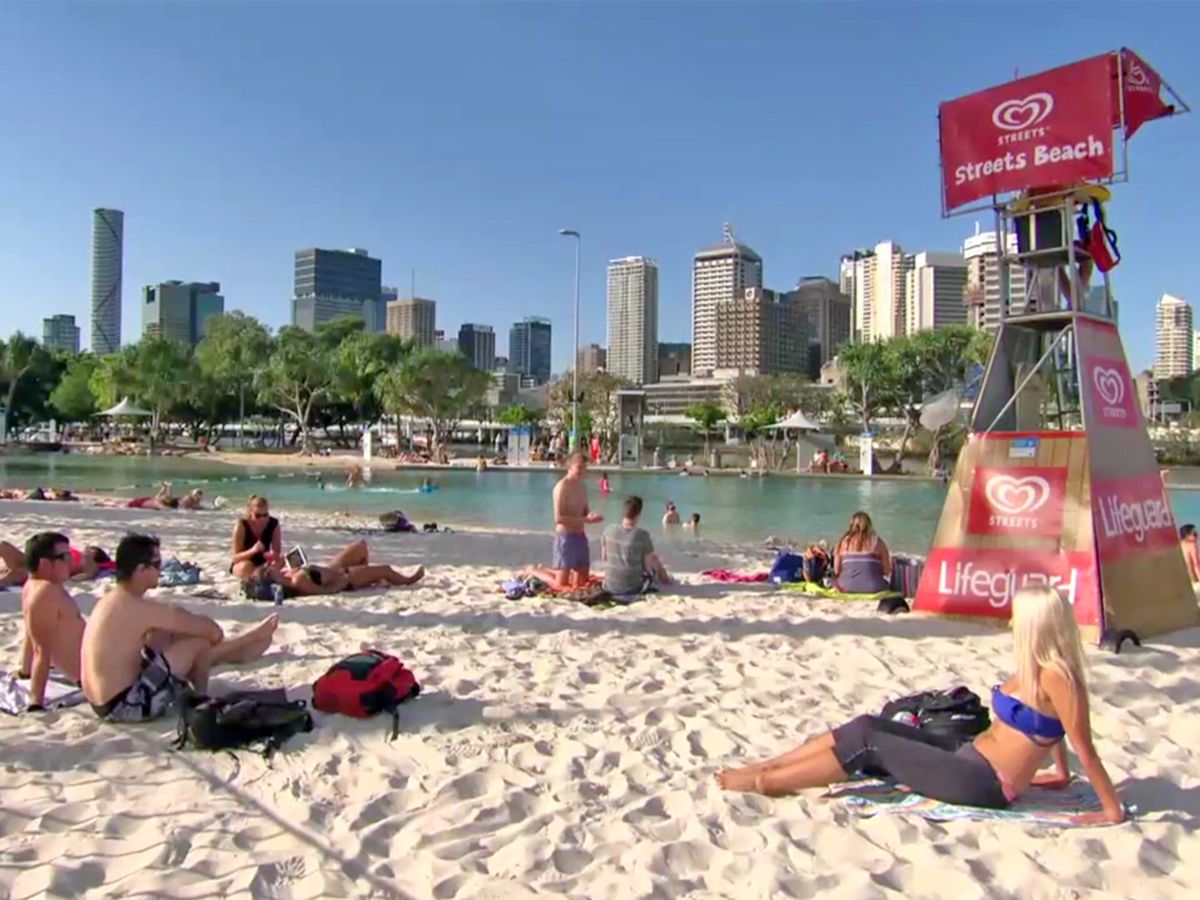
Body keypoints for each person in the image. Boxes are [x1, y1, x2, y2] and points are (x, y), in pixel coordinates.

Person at [716, 585, 1126, 824]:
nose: (1012, 621)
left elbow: (1083, 745)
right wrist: (1058, 774)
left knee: (871, 743)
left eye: (1019, 616)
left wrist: (1111, 810)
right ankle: (766, 767)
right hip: (969, 756)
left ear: (1037, 624)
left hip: (983, 781)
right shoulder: (1036, 667)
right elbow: (1051, 730)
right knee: (866, 724)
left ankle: (764, 782)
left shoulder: (1059, 676)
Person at [81, 534, 279, 721]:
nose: (161, 570)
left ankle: (235, 651)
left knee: (164, 636)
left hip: (102, 702)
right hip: (127, 706)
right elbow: (213, 632)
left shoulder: (112, 599)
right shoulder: (139, 608)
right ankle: (204, 692)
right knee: (196, 643)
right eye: (157, 564)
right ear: (141, 570)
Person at [18, 533, 86, 710]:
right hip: (91, 672)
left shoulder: (35, 586)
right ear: (44, 564)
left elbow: (30, 633)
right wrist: (35, 702)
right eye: (64, 557)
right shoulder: (46, 592)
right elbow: (42, 650)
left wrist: (25, 672)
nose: (70, 562)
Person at [276, 540, 425, 596]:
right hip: (345, 577)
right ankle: (408, 580)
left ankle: (368, 577)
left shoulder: (288, 575)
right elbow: (325, 591)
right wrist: (342, 581)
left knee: (361, 546)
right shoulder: (297, 581)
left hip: (331, 569)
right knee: (386, 569)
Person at [600, 496, 671, 595]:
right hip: (634, 587)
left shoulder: (608, 530)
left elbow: (604, 558)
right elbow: (647, 567)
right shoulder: (642, 535)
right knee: (654, 558)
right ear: (639, 514)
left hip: (610, 585)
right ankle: (667, 581)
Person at [551, 453, 602, 588]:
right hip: (565, 537)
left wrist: (592, 516)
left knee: (582, 582)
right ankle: (534, 571)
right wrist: (585, 519)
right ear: (570, 467)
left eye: (584, 468)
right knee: (560, 584)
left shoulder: (582, 487)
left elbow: (585, 511)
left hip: (580, 536)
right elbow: (558, 518)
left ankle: (555, 571)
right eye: (579, 467)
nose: (582, 471)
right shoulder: (562, 487)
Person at [832, 510, 891, 593]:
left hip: (846, 586)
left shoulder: (843, 542)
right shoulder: (877, 541)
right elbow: (887, 570)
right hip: (874, 587)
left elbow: (837, 570)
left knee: (835, 582)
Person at [230, 494, 282, 580]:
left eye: (265, 515)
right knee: (246, 567)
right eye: (258, 516)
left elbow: (276, 552)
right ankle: (258, 581)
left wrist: (273, 556)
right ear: (250, 513)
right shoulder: (242, 525)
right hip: (243, 563)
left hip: (264, 563)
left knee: (283, 562)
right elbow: (235, 558)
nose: (262, 519)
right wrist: (253, 551)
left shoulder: (273, 524)